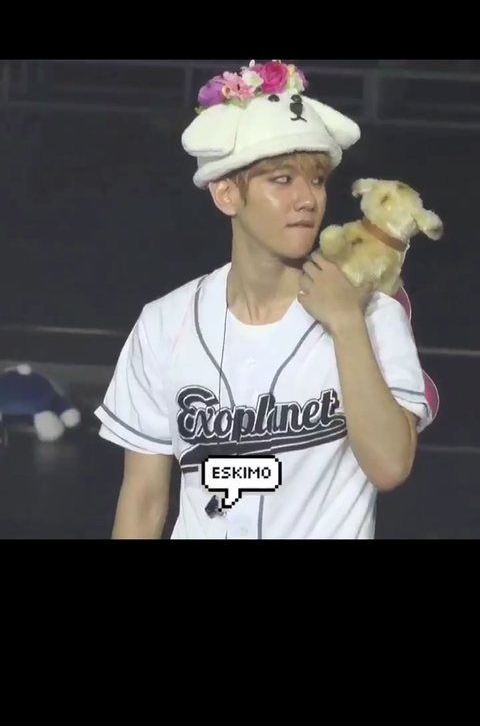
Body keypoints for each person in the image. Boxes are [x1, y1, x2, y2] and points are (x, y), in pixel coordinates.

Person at [95, 60, 436, 540]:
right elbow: (144, 500)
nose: (307, 199)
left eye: (316, 180)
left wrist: (346, 323)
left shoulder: (374, 313)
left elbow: (390, 467)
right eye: (281, 180)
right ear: (226, 194)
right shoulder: (164, 323)